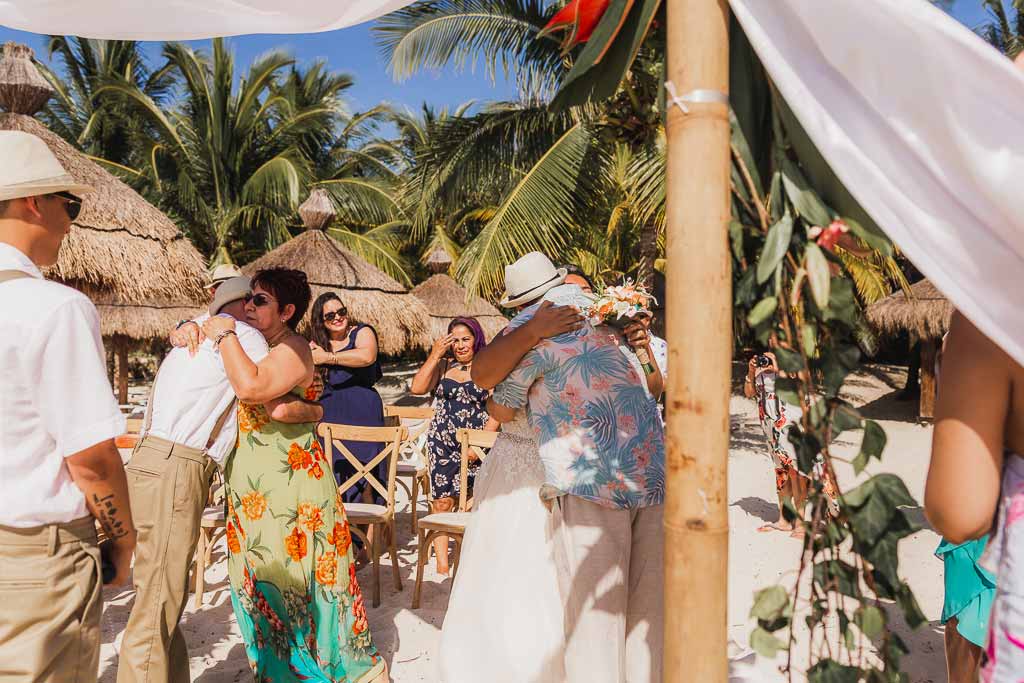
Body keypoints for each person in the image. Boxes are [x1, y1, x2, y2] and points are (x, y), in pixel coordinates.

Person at [118, 276, 323, 683]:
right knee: (158, 600)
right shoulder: (245, 338)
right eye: (254, 301)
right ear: (243, 304)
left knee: (159, 593)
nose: (254, 311)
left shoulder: (194, 335)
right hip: (178, 465)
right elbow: (264, 395)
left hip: (146, 460)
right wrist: (314, 404)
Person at [486, 252, 665, 682]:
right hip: (652, 474)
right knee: (647, 615)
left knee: (594, 619)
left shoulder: (533, 329)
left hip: (589, 483)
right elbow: (649, 385)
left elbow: (493, 394)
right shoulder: (614, 315)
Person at [202, 269, 386, 683]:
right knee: (263, 577)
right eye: (248, 299)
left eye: (260, 300)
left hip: (291, 488)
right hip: (254, 486)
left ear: (287, 311)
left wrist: (224, 333)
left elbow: (252, 389)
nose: (248, 306)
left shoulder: (294, 347)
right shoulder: (258, 346)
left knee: (303, 578)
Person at [0, 130, 136, 681]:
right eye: (68, 203)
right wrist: (123, 541)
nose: (69, 219)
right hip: (37, 557)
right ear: (35, 201)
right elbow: (91, 460)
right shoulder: (55, 309)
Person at [410, 317, 499, 575]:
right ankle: (441, 565)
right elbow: (416, 388)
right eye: (455, 339)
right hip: (442, 443)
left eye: (465, 339)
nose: (460, 345)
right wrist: (435, 354)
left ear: (476, 340)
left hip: (477, 443)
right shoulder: (443, 365)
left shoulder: (488, 366)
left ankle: (473, 561)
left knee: (475, 502)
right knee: (442, 502)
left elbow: (497, 409)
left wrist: (479, 444)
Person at [308, 293, 386, 510]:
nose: (337, 317)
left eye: (341, 312)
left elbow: (366, 356)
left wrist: (329, 358)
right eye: (330, 315)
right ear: (320, 321)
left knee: (367, 480)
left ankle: (371, 542)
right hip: (329, 411)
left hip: (364, 411)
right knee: (332, 477)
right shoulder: (316, 345)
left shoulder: (361, 332)